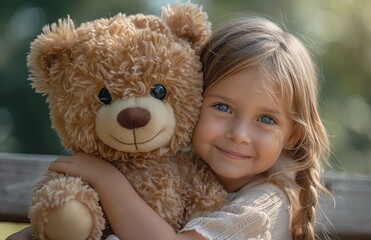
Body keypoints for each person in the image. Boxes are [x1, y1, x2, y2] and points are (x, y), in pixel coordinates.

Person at [7, 14, 330, 240]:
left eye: (266, 119)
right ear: (190, 98)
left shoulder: (264, 206)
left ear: (293, 135)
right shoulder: (174, 173)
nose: (238, 134)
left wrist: (106, 179)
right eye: (222, 107)